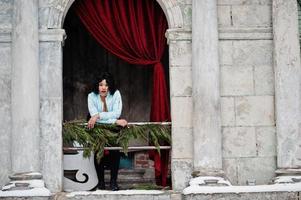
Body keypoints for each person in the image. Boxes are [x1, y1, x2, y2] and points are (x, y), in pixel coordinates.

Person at [87, 72, 127, 191]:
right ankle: (101, 183)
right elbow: (92, 116)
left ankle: (113, 182)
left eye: (106, 85)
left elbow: (117, 113)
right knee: (98, 153)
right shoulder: (91, 96)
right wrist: (114, 121)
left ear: (110, 86)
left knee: (115, 152)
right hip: (97, 128)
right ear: (97, 86)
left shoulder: (116, 94)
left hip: (112, 128)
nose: (103, 87)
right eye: (101, 85)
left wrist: (98, 116)